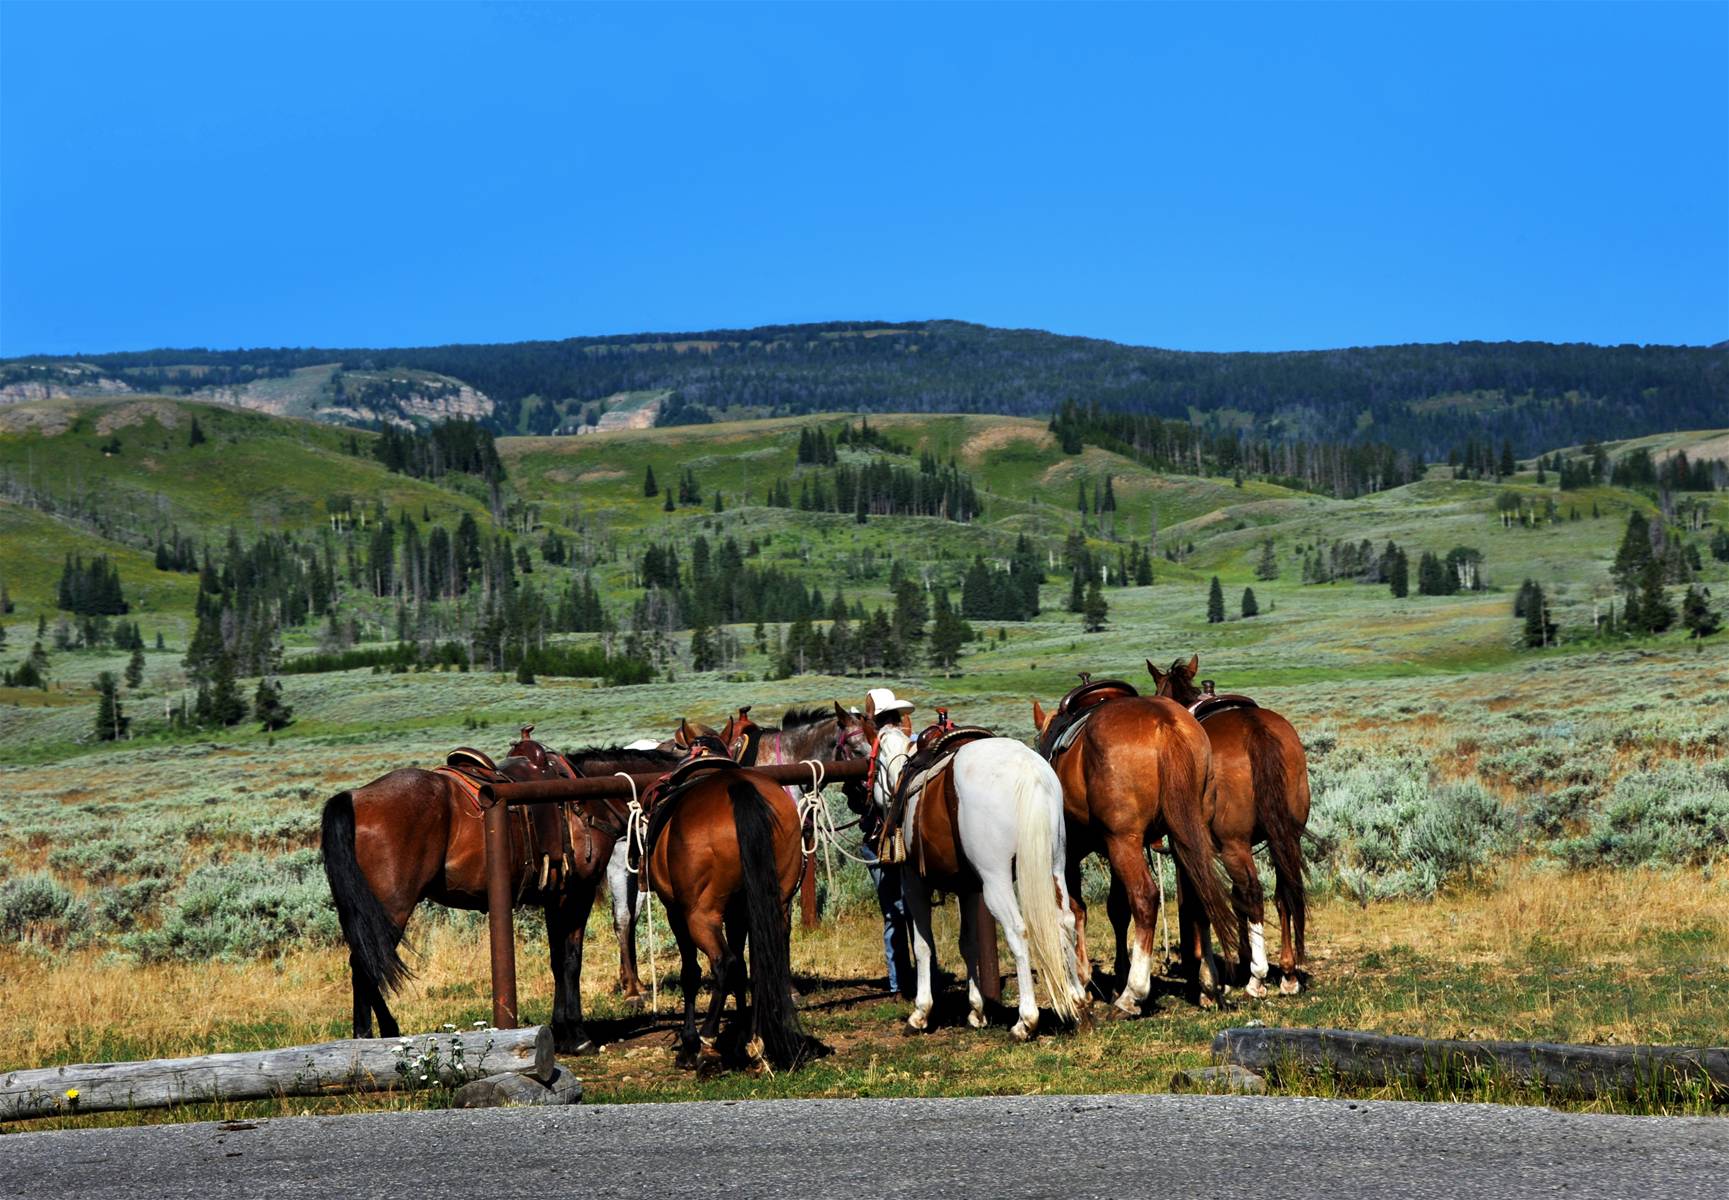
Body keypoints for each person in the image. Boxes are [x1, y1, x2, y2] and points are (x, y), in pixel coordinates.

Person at [860, 687, 914, 995]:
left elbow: (896, 786)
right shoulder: (903, 741)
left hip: (883, 835)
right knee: (908, 908)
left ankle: (899, 982)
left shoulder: (886, 744)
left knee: (893, 911)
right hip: (895, 833)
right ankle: (921, 976)